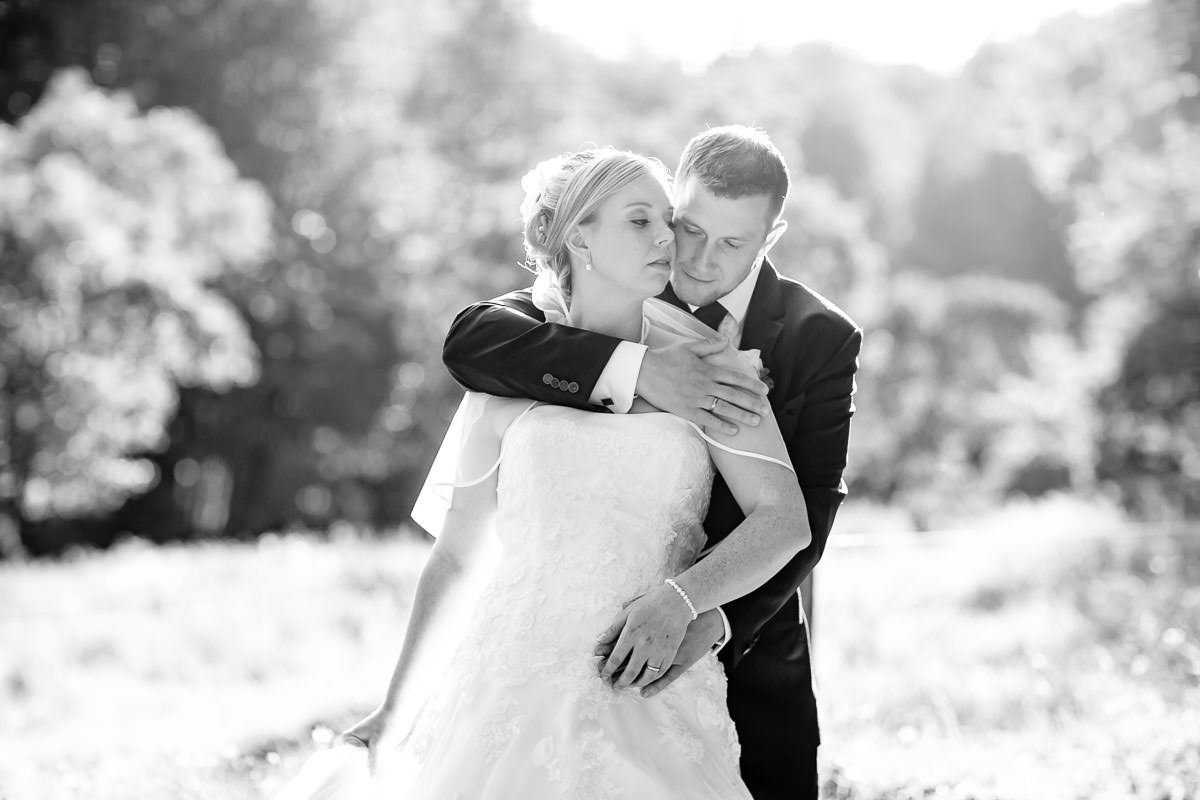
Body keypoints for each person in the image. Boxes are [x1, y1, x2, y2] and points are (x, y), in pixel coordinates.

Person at [275, 146, 811, 800]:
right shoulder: (507, 372)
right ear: (578, 235)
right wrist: (397, 705)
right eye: (639, 220)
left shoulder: (710, 368)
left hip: (643, 678)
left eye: (667, 220)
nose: (667, 238)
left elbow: (785, 519)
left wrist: (684, 598)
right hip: (508, 682)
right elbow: (453, 559)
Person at [440, 126, 862, 800]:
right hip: (553, 643)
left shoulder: (821, 338)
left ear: (771, 237)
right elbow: (474, 342)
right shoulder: (619, 277)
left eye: (731, 243)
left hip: (740, 645)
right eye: (685, 227)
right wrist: (637, 371)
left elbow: (806, 508)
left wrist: (701, 612)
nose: (693, 258)